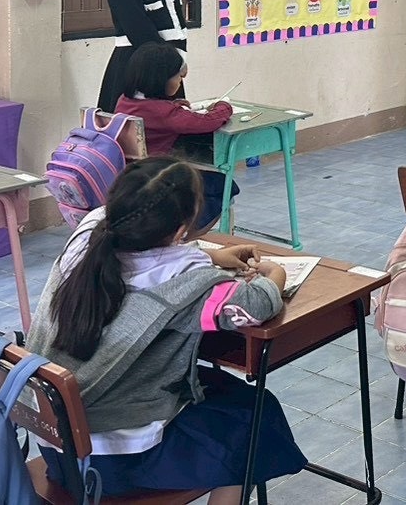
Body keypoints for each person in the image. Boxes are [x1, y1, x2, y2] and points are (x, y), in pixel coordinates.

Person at [26, 159, 306, 504]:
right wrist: (274, 272)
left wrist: (213, 256)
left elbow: (148, 257)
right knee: (255, 420)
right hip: (112, 462)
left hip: (57, 443)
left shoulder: (89, 233)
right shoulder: (187, 281)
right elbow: (257, 305)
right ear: (179, 233)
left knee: (228, 397)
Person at [114, 42, 237, 233]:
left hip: (134, 176)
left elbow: (154, 111)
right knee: (225, 185)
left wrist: (174, 105)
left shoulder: (124, 100)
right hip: (161, 179)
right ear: (161, 79)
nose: (180, 81)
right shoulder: (166, 114)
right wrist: (224, 107)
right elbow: (208, 122)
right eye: (178, 76)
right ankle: (183, 233)